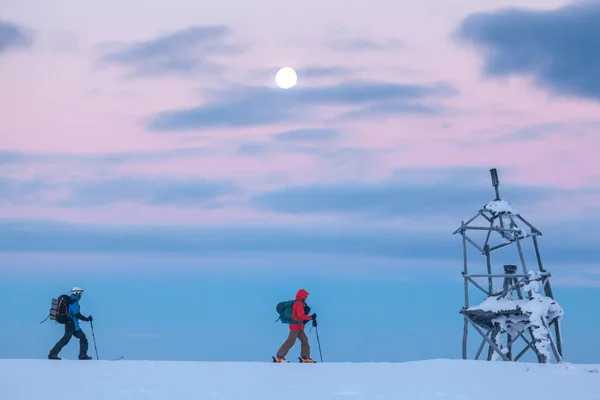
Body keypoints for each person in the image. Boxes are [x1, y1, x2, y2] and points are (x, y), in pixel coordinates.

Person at [48, 287, 93, 360]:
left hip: (72, 325)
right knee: (65, 340)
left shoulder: (71, 301)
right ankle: (53, 354)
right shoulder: (74, 302)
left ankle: (83, 355)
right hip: (71, 325)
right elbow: (77, 314)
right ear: (77, 293)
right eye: (80, 293)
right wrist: (87, 319)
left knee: (82, 338)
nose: (81, 295)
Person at [274, 288, 317, 363]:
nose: (306, 298)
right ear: (302, 296)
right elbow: (301, 316)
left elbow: (299, 316)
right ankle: (280, 356)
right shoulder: (299, 303)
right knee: (291, 341)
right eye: (305, 296)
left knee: (305, 341)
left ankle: (305, 357)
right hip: (295, 326)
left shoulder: (298, 303)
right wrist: (311, 317)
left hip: (298, 326)